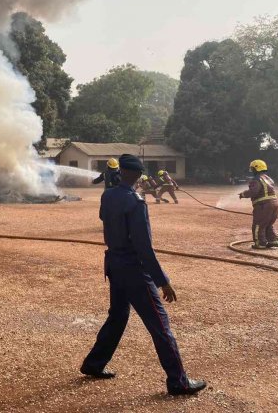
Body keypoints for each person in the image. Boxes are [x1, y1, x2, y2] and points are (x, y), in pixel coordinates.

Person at [80, 154, 206, 396]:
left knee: (117, 317)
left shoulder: (108, 195)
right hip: (134, 270)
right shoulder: (136, 202)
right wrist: (163, 281)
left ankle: (94, 364)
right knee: (160, 325)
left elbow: (103, 219)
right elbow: (144, 247)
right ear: (137, 175)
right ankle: (178, 382)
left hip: (114, 265)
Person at [239, 159, 278, 249]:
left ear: (256, 169)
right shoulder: (268, 178)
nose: (252, 171)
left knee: (258, 224)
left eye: (252, 169)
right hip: (274, 204)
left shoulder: (256, 180)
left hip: (263, 206)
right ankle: (273, 240)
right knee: (268, 224)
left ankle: (260, 243)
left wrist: (243, 194)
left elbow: (254, 191)